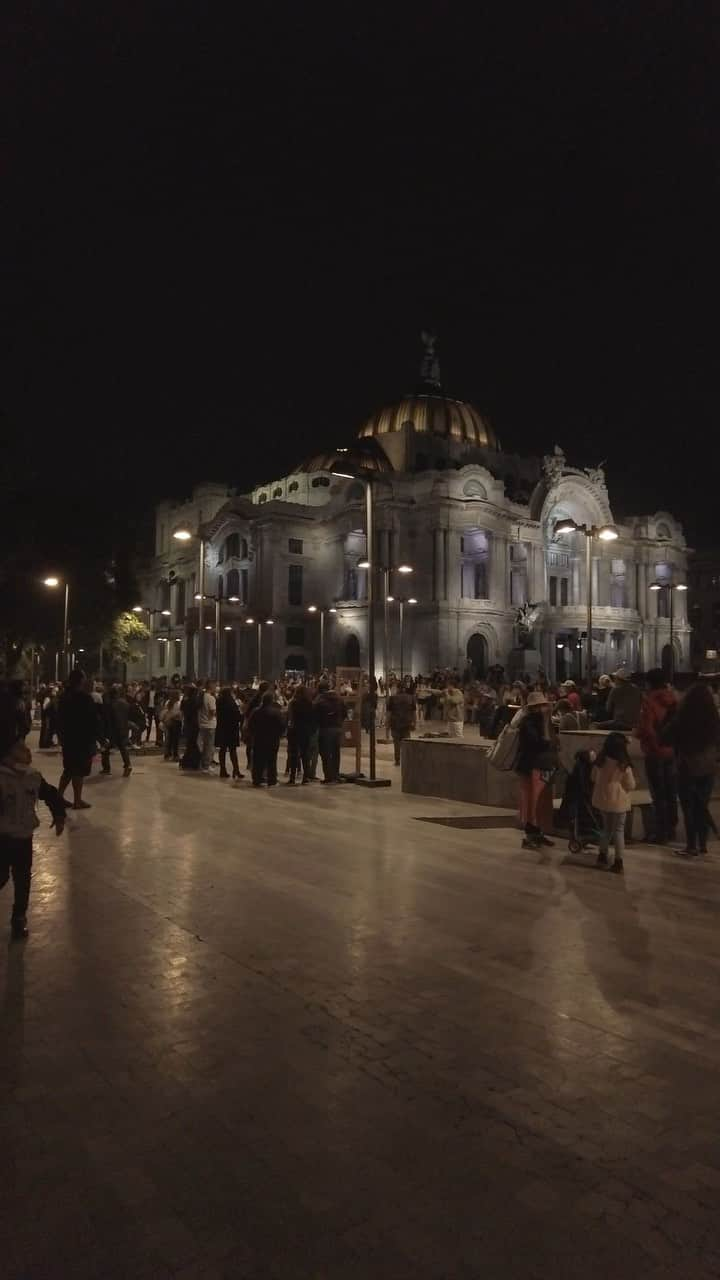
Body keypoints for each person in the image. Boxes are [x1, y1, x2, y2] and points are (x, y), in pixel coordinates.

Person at [0, 738, 67, 938]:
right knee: (2, 875)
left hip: (24, 837)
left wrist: (59, 815)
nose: (26, 752)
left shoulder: (32, 776)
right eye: (19, 750)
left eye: (25, 749)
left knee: (22, 879)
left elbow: (51, 794)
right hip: (3, 836)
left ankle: (19, 917)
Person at [663, 683, 720, 856]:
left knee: (688, 807)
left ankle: (691, 845)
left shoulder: (682, 718)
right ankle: (703, 844)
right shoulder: (714, 719)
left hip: (687, 767)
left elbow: (664, 737)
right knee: (702, 805)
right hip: (708, 767)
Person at [637, 668, 679, 845]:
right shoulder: (675, 699)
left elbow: (647, 728)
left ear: (650, 683)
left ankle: (660, 832)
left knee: (658, 792)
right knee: (671, 790)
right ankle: (671, 828)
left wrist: (649, 742)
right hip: (672, 750)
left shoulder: (649, 701)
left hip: (655, 752)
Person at [515, 690, 558, 849]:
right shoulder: (528, 723)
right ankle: (530, 835)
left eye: (544, 706)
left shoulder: (543, 722)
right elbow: (541, 743)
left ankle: (538, 833)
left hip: (544, 765)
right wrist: (546, 725)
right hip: (532, 767)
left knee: (540, 803)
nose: (544, 709)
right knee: (531, 802)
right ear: (533, 708)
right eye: (540, 706)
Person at [591, 732, 636, 874]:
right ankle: (618, 862)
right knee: (618, 830)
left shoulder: (600, 760)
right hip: (619, 802)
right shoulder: (624, 765)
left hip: (603, 800)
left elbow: (593, 778)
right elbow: (630, 785)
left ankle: (602, 856)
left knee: (606, 828)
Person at [57, 669, 99, 810]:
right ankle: (77, 801)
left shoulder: (64, 697)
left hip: (68, 739)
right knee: (78, 771)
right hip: (82, 740)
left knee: (68, 769)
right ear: (81, 680)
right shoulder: (84, 698)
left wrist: (61, 736)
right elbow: (92, 720)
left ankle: (59, 797)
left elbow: (59, 719)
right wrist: (99, 737)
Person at [314, 679, 347, 783]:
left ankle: (328, 777)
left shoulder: (319, 700)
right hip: (337, 728)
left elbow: (315, 715)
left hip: (325, 729)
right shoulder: (338, 698)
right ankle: (336, 775)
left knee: (325, 753)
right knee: (336, 753)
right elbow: (345, 713)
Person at [247, 691, 283, 786]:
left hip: (259, 739)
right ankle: (272, 780)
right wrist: (279, 735)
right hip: (273, 740)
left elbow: (250, 725)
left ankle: (257, 779)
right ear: (272, 701)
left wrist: (253, 734)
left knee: (258, 760)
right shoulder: (276, 712)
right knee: (272, 761)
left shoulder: (256, 711)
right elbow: (282, 726)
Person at [286, 684, 317, 784]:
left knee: (294, 755)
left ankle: (292, 778)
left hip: (295, 730)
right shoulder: (310, 703)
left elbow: (290, 718)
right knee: (305, 755)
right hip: (306, 731)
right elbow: (313, 719)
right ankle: (305, 778)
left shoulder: (293, 702)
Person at [100, 685, 133, 777]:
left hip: (113, 730)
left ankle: (106, 768)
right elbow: (128, 717)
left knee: (105, 749)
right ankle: (128, 765)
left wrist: (105, 732)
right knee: (123, 748)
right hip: (123, 729)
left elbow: (107, 719)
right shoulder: (125, 703)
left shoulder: (109, 704)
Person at [215, 686, 243, 780]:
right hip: (231, 729)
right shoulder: (231, 703)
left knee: (222, 750)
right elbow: (237, 716)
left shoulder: (219, 701)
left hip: (222, 728)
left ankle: (223, 770)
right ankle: (236, 770)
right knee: (232, 750)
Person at [387, 685, 416, 765]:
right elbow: (413, 712)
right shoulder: (411, 698)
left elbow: (389, 713)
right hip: (407, 723)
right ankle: (407, 760)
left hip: (395, 723)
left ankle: (397, 760)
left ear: (398, 689)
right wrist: (414, 723)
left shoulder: (392, 698)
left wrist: (387, 724)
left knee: (396, 743)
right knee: (406, 743)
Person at [197, 680, 218, 773]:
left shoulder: (201, 697)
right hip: (210, 724)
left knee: (204, 745)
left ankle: (202, 764)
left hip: (202, 723)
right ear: (211, 687)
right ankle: (206, 765)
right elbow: (212, 712)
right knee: (209, 746)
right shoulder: (211, 698)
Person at [161, 691, 183, 761]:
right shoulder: (178, 704)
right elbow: (179, 713)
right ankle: (175, 755)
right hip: (176, 722)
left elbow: (165, 712)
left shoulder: (168, 702)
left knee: (169, 739)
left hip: (168, 722)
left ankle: (167, 754)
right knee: (175, 740)